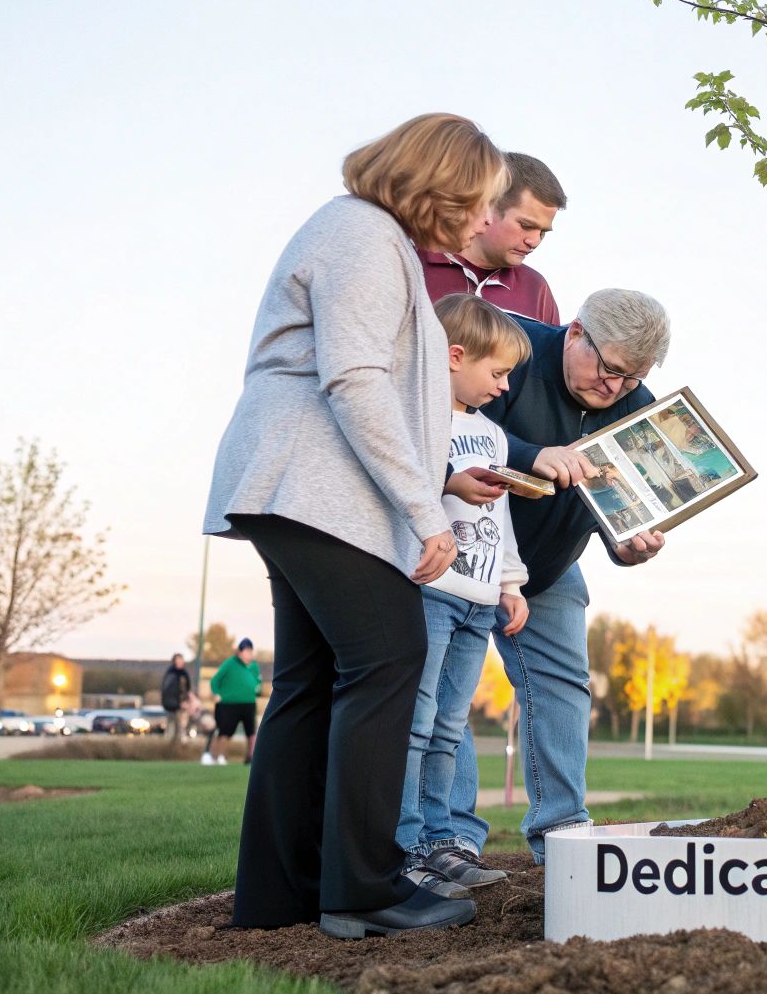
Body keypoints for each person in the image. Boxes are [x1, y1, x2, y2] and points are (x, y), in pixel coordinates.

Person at [203, 112, 504, 938]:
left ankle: (282, 894)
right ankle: (363, 890)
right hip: (311, 483)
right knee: (390, 654)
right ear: (441, 183)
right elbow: (357, 379)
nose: (485, 218)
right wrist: (424, 510)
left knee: (310, 680)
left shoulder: (364, 235)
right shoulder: (364, 236)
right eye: (480, 200)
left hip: (295, 484)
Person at [480, 289, 672, 862]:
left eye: (632, 378)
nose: (615, 387)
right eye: (609, 368)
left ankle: (562, 836)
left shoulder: (639, 408)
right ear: (575, 332)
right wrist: (529, 455)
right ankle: (447, 840)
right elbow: (450, 426)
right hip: (465, 550)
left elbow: (619, 510)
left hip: (550, 567)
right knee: (441, 696)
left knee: (564, 688)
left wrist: (626, 545)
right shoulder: (510, 347)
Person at [397, 293, 534, 897]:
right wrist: (448, 483)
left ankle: (441, 840)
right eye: (497, 373)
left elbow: (500, 519)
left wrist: (510, 583)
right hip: (431, 592)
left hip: (478, 600)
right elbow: (398, 488)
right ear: (454, 356)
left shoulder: (494, 437)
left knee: (451, 725)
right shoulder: (418, 421)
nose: (504, 387)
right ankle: (403, 844)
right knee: (416, 720)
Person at [421, 152, 565, 325]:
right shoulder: (413, 260)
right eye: (526, 226)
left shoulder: (536, 290)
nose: (534, 242)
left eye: (543, 232)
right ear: (487, 205)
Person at [205, 639, 262, 766]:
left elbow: (258, 681)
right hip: (229, 704)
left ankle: (251, 758)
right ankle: (219, 756)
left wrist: (257, 688)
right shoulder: (230, 663)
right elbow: (215, 680)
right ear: (240, 652)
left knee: (251, 731)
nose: (249, 654)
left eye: (250, 651)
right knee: (225, 731)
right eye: (246, 651)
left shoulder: (254, 666)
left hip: (249, 703)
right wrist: (216, 693)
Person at [161, 654, 192, 746]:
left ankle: (179, 746)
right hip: (172, 706)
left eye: (181, 660)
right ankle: (169, 746)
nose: (180, 662)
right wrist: (178, 704)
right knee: (172, 726)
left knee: (181, 727)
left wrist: (186, 701)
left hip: (182, 705)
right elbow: (168, 692)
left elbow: (187, 689)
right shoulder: (171, 675)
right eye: (178, 660)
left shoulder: (184, 674)